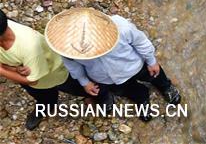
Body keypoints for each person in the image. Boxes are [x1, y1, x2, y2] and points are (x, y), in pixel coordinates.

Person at [45, 8, 181, 121]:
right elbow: (73, 65)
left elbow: (141, 42)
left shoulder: (120, 27)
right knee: (126, 89)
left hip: (134, 65)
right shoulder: (67, 48)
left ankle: (166, 87)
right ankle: (142, 98)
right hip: (105, 78)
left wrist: (151, 61)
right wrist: (84, 81)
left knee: (154, 74)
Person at [0, 9, 85, 130]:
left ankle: (102, 96)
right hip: (29, 72)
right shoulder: (4, 29)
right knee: (44, 99)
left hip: (53, 73)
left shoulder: (29, 47)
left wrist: (2, 71)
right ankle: (45, 108)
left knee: (79, 87)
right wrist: (12, 69)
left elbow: (32, 80)